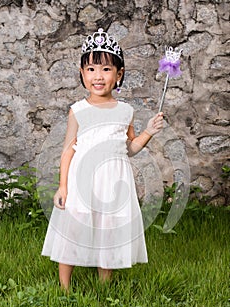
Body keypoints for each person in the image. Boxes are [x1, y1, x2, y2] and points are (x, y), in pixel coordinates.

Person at [42, 28, 163, 290]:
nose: (98, 76)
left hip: (113, 180)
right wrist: (63, 186)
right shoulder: (78, 110)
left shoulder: (125, 111)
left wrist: (149, 132)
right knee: (74, 228)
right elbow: (68, 150)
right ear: (82, 73)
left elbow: (129, 149)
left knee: (108, 230)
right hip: (82, 179)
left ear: (118, 75)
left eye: (106, 70)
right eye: (92, 69)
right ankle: (64, 285)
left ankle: (104, 283)